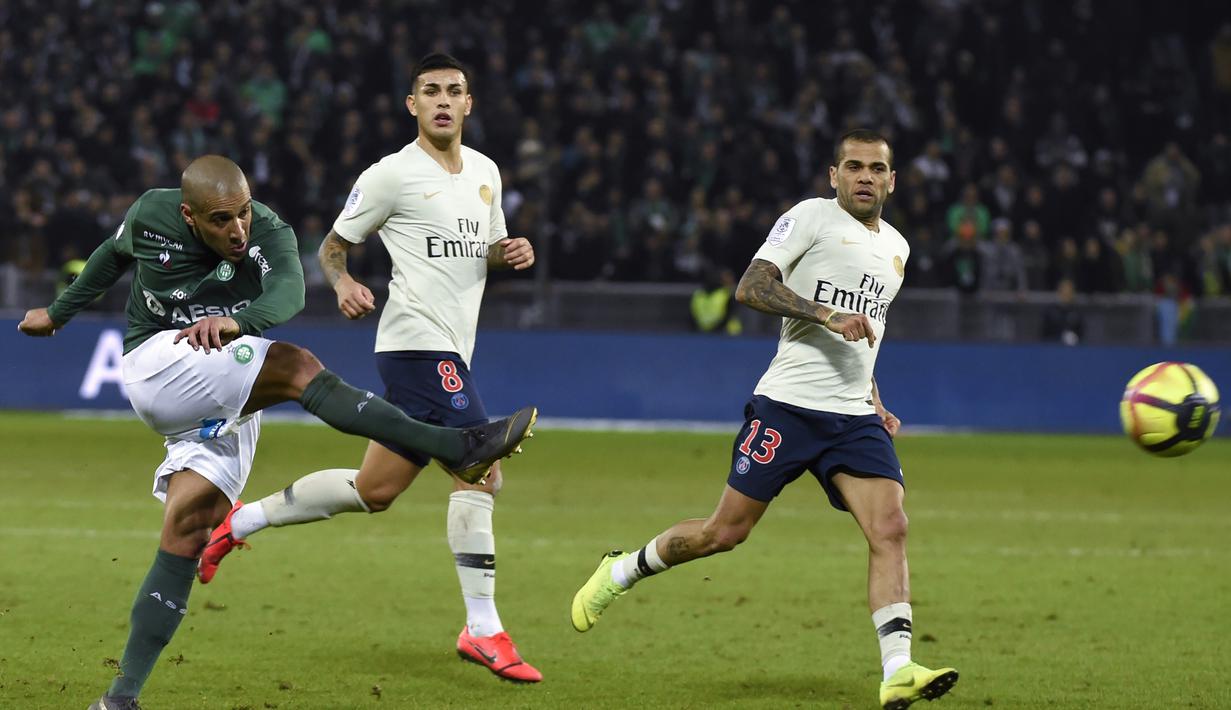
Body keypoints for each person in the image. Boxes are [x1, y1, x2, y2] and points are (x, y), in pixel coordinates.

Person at [17, 155, 536, 710]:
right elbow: (110, 255)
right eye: (221, 220)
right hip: (157, 362)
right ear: (189, 216)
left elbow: (288, 291)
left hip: (220, 382)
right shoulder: (151, 213)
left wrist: (238, 322)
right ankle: (457, 446)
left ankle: (120, 696)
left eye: (242, 213)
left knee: (189, 528)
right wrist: (58, 312)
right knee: (294, 366)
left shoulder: (268, 231)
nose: (237, 230)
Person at [570, 130, 959, 710]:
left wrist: (874, 396)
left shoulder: (898, 250)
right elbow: (751, 287)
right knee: (723, 533)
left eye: (876, 169)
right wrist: (825, 312)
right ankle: (623, 569)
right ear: (834, 175)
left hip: (852, 418)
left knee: (891, 527)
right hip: (788, 408)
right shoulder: (810, 218)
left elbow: (866, 334)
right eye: (852, 166)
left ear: (892, 180)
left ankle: (897, 670)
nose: (864, 177)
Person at [198, 54, 543, 683]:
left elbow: (484, 249)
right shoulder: (389, 176)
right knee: (478, 469)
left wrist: (506, 250)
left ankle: (238, 521)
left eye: (454, 92)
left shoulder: (487, 173)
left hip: (452, 349)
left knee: (375, 490)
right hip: (414, 344)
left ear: (469, 104)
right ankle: (484, 628)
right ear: (412, 105)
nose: (443, 100)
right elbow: (332, 246)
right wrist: (343, 281)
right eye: (431, 92)